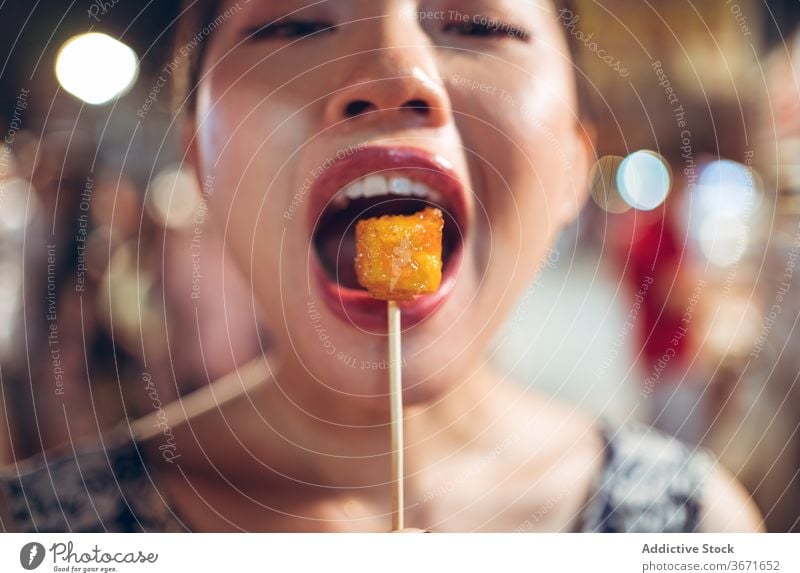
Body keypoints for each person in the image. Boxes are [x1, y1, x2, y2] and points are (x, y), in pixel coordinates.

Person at [0, 0, 764, 533]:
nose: (397, 72)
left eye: (478, 24)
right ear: (204, 169)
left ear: (571, 165)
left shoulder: (690, 530)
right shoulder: (42, 534)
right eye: (292, 25)